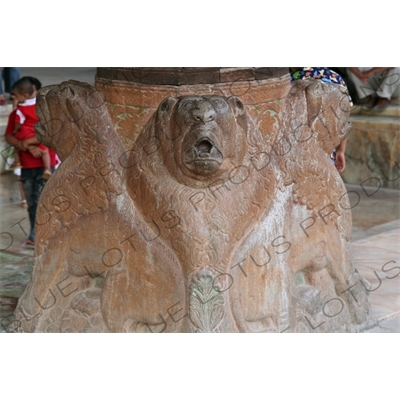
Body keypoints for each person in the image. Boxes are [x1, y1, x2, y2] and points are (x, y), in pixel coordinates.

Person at [4, 77, 58, 246]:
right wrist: (25, 145)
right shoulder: (16, 113)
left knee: (45, 201)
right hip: (27, 166)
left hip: (45, 167)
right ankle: (35, 233)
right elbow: (8, 136)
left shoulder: (46, 111)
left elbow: (52, 134)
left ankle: (47, 233)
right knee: (32, 203)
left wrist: (29, 142)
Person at [290, 67, 351, 173]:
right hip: (326, 153)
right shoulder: (335, 78)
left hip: (294, 153)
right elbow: (344, 119)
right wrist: (341, 151)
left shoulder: (288, 81)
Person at [9, 77, 52, 180]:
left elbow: (18, 123)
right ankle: (47, 169)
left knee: (16, 147)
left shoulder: (20, 109)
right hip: (37, 134)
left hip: (24, 134)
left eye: (16, 95)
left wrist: (16, 131)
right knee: (45, 151)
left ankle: (17, 162)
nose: (14, 97)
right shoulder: (42, 106)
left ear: (25, 96)